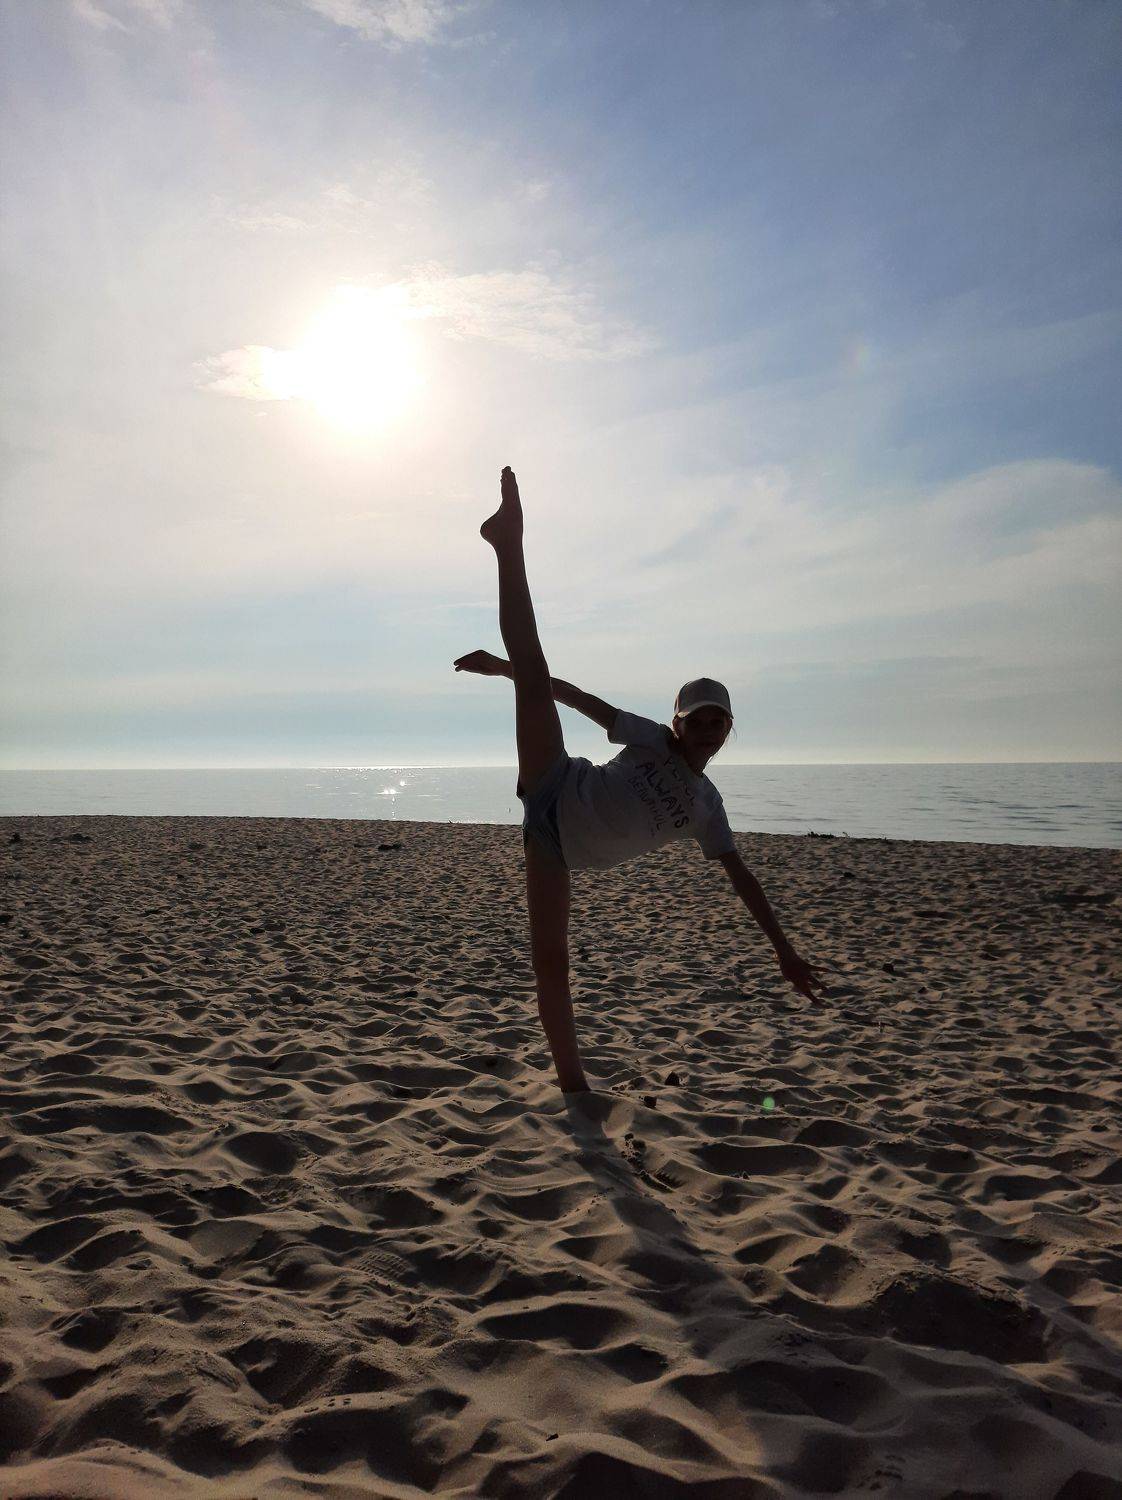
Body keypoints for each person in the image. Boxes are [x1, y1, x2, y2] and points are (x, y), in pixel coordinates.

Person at [454, 466, 826, 1096]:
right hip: (555, 782)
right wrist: (506, 672)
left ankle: (573, 1089)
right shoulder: (652, 738)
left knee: (552, 964)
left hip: (556, 848)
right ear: (677, 722)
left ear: (728, 729)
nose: (704, 729)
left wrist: (784, 951)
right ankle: (507, 542)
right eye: (695, 719)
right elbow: (581, 700)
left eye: (716, 722)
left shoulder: (707, 806)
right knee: (534, 662)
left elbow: (744, 880)